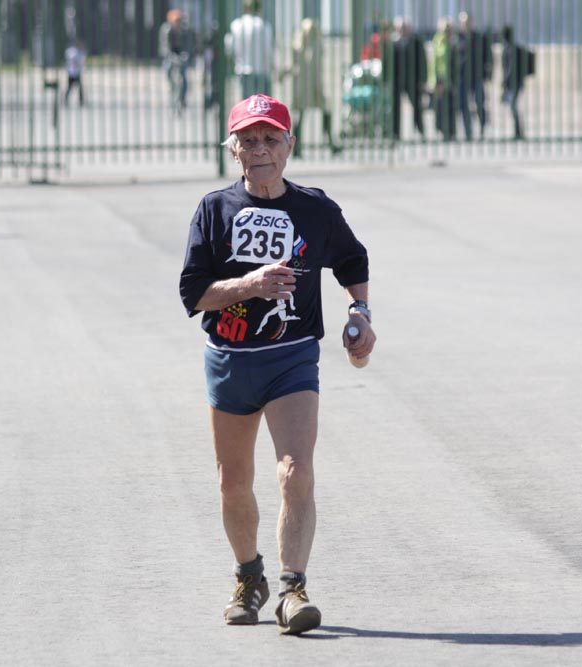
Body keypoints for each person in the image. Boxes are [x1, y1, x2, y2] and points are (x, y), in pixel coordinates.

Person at [179, 94, 376, 635]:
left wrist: (359, 313)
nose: (260, 149)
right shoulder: (214, 210)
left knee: (296, 471)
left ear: (290, 145)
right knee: (233, 483)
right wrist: (249, 284)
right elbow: (194, 294)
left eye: (270, 139)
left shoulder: (316, 210)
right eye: (248, 140)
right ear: (233, 151)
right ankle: (249, 578)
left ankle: (293, 590)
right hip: (231, 360)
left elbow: (352, 260)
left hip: (291, 358)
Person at [285, 18, 341, 157]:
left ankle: (331, 142)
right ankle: (296, 148)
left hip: (316, 86)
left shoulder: (316, 45)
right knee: (301, 115)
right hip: (303, 86)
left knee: (326, 111)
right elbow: (293, 65)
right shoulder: (298, 46)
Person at [455, 11, 493, 140]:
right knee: (463, 105)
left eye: (467, 22)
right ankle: (468, 132)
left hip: (477, 76)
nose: (465, 25)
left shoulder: (479, 38)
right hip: (462, 78)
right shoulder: (457, 38)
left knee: (479, 103)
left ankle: (482, 128)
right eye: (463, 23)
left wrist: (488, 74)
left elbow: (488, 56)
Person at [226, 0, 275, 99]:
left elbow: (229, 49)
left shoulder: (237, 25)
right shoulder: (265, 26)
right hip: (262, 72)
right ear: (259, 8)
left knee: (247, 104)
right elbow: (269, 51)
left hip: (243, 71)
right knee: (262, 104)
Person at [390, 17, 426, 141]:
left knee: (417, 106)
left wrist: (422, 79)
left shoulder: (416, 42)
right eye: (400, 28)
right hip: (397, 81)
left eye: (405, 28)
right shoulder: (394, 43)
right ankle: (395, 133)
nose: (403, 30)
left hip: (413, 80)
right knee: (395, 107)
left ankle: (420, 131)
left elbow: (422, 62)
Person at [159, 9, 195, 115]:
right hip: (170, 55)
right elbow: (165, 46)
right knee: (169, 71)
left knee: (183, 76)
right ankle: (172, 96)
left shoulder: (185, 30)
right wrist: (172, 56)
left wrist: (185, 55)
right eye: (175, 21)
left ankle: (183, 99)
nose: (177, 23)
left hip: (181, 55)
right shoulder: (166, 30)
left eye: (178, 21)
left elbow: (188, 45)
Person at [430, 17, 458, 142]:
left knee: (451, 106)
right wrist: (434, 80)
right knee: (440, 107)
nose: (447, 32)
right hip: (440, 79)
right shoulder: (438, 42)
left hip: (451, 78)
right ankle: (442, 131)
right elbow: (434, 62)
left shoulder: (453, 43)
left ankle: (451, 132)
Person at [501, 25, 528, 141]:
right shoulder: (512, 47)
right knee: (513, 106)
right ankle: (518, 132)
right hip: (515, 83)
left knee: (513, 106)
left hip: (513, 83)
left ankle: (518, 132)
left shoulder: (509, 49)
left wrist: (505, 80)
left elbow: (510, 68)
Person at [64, 40, 86, 106]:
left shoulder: (76, 52)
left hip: (76, 73)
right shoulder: (74, 52)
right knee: (70, 87)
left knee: (79, 88)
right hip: (72, 72)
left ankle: (81, 101)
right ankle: (66, 100)